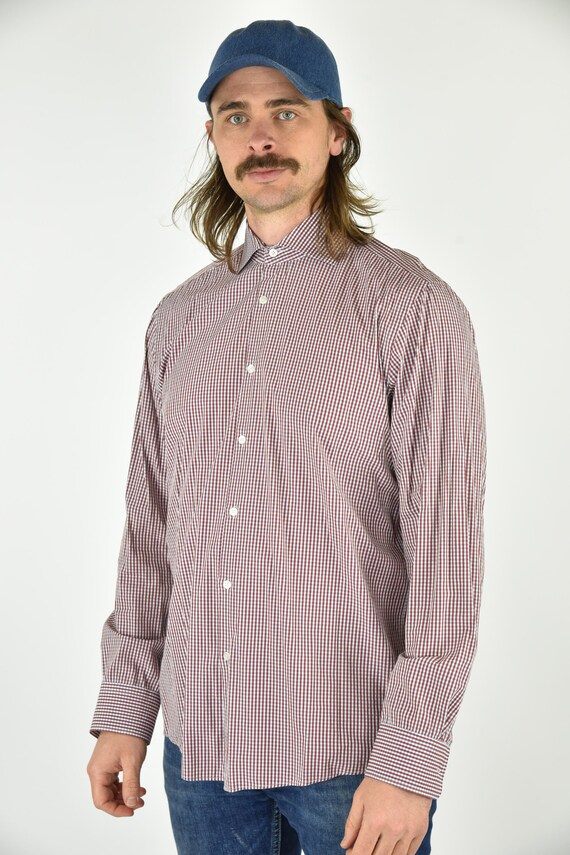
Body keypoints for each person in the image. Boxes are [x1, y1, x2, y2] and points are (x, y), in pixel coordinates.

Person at [87, 19, 486, 855]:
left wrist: (412, 760)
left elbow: (445, 549)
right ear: (213, 137)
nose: (259, 136)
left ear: (337, 132)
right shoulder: (178, 320)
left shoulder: (412, 308)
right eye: (235, 115)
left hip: (353, 751)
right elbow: (151, 530)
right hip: (201, 745)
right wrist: (127, 708)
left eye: (286, 111)